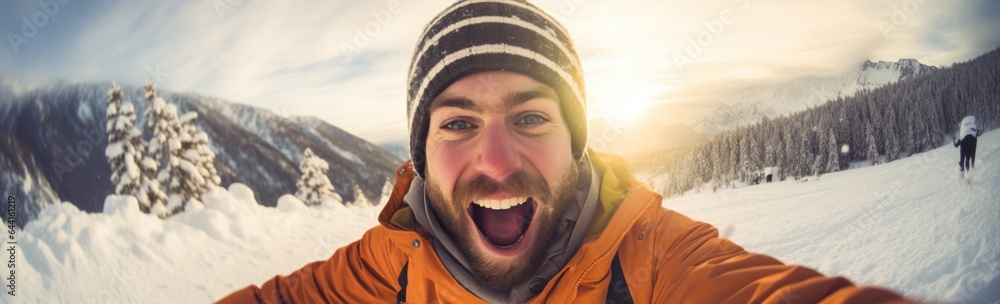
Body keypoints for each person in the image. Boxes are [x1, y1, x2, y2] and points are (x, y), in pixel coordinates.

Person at [218, 1, 909, 303]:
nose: (495, 160)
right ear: (421, 156)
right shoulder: (388, 264)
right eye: (457, 124)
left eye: (531, 117)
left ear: (577, 146)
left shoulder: (649, 260)